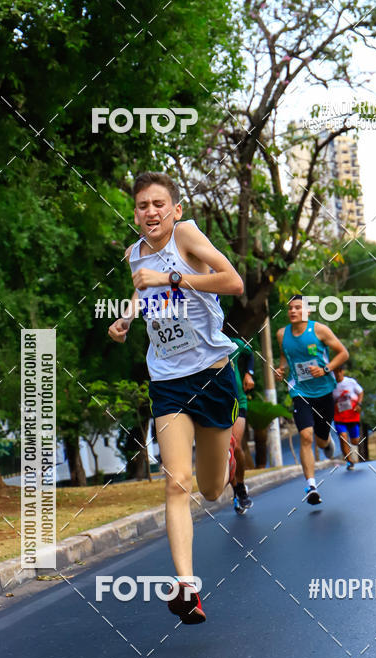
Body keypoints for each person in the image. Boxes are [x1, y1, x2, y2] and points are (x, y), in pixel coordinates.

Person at [108, 172, 244, 624]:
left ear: (175, 210)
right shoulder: (134, 256)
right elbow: (141, 285)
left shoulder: (185, 237)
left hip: (212, 375)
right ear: (135, 214)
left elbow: (233, 282)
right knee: (176, 481)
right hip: (167, 380)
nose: (151, 211)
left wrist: (173, 277)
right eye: (143, 205)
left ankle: (224, 458)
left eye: (159, 203)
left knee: (210, 488)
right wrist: (127, 318)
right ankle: (187, 586)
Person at [275, 295, 348, 504]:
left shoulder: (319, 330)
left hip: (324, 390)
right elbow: (284, 357)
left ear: (307, 311)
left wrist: (325, 369)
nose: (293, 311)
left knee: (320, 437)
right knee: (306, 436)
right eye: (290, 308)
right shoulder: (282, 334)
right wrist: (281, 370)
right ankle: (311, 485)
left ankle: (325, 443)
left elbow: (343, 353)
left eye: (298, 308)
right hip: (299, 390)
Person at [229, 335, 255, 514]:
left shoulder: (233, 344)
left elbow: (250, 353)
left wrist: (248, 373)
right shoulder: (200, 345)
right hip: (214, 405)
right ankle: (236, 490)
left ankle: (241, 486)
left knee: (236, 447)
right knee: (227, 452)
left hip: (238, 400)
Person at [332, 366, 364, 469]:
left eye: (338, 372)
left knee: (355, 441)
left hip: (352, 416)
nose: (336, 375)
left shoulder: (350, 382)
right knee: (343, 436)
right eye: (334, 373)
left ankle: (350, 452)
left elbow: (360, 392)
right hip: (339, 417)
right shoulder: (330, 385)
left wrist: (359, 404)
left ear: (342, 372)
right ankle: (349, 461)